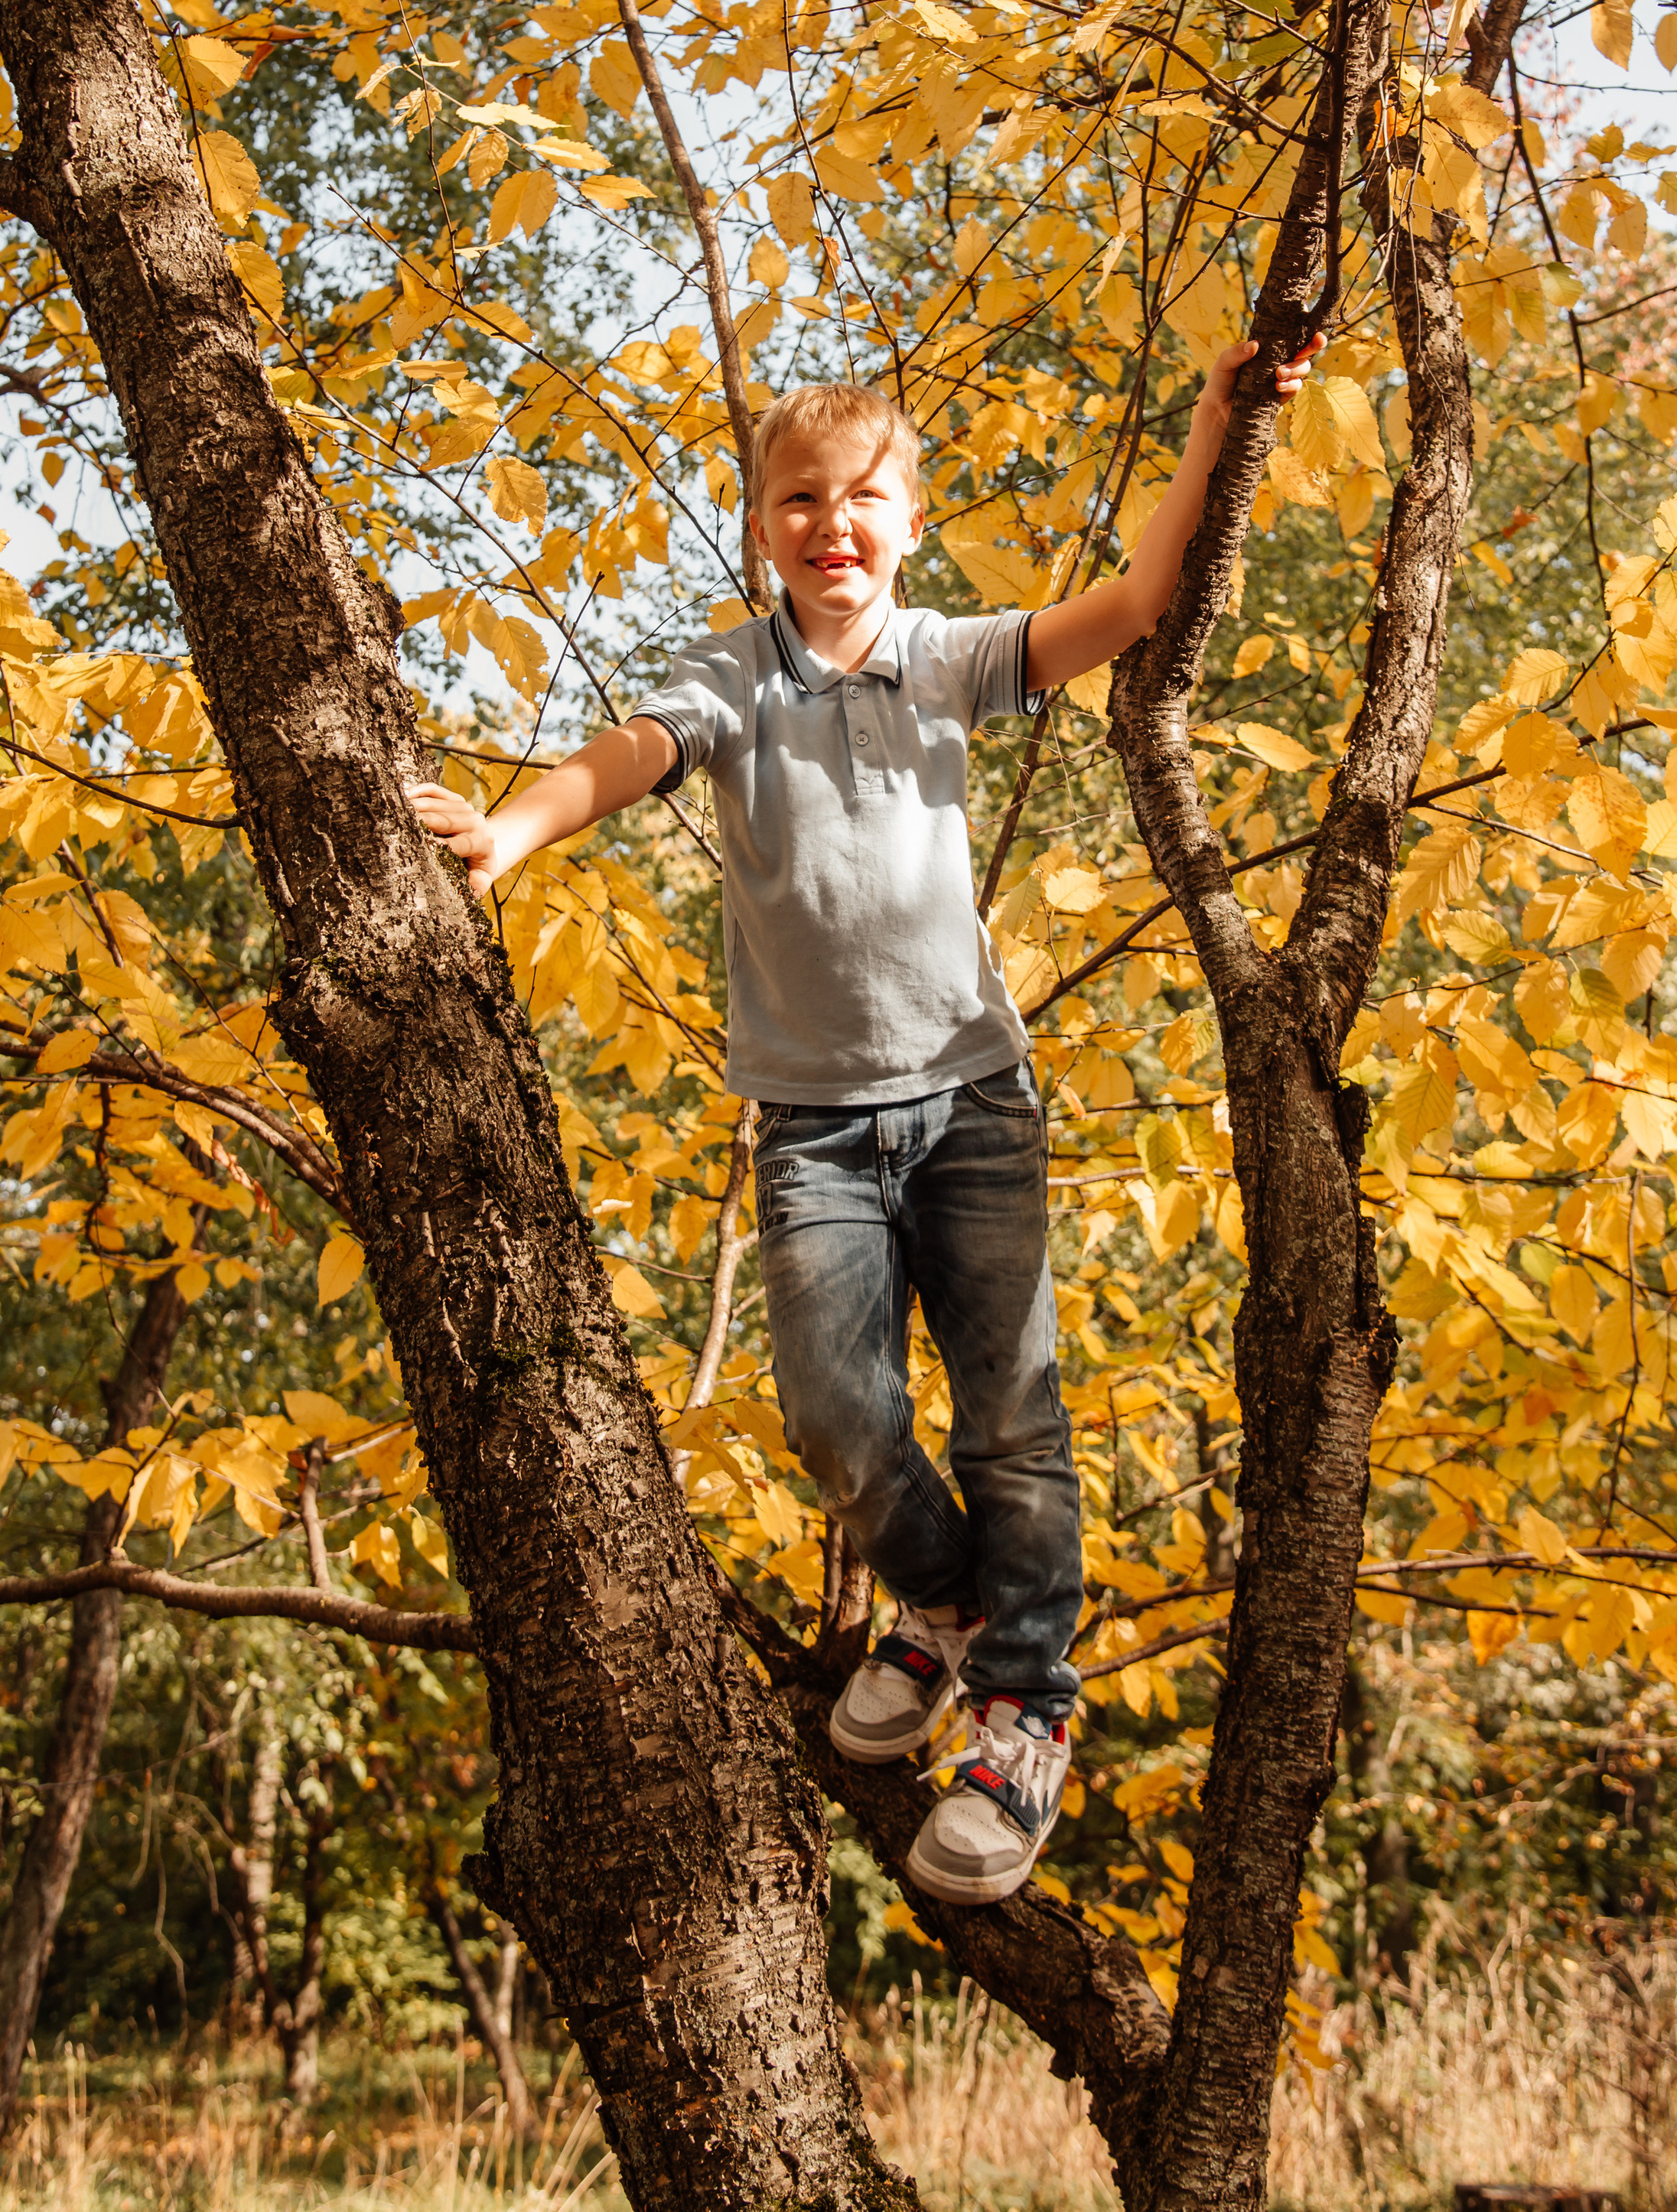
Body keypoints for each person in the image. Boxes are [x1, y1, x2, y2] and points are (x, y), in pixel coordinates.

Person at [407, 333, 1321, 1904]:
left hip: (971, 1103)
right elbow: (629, 754)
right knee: (834, 1414)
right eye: (798, 499)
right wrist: (515, 828)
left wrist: (1211, 424)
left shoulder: (949, 658)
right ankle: (948, 1608)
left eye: (863, 496)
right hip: (815, 1127)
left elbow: (1133, 605)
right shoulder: (735, 678)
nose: (832, 523)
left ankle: (1024, 1705)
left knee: (1011, 1417)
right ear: (761, 523)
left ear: (910, 516)